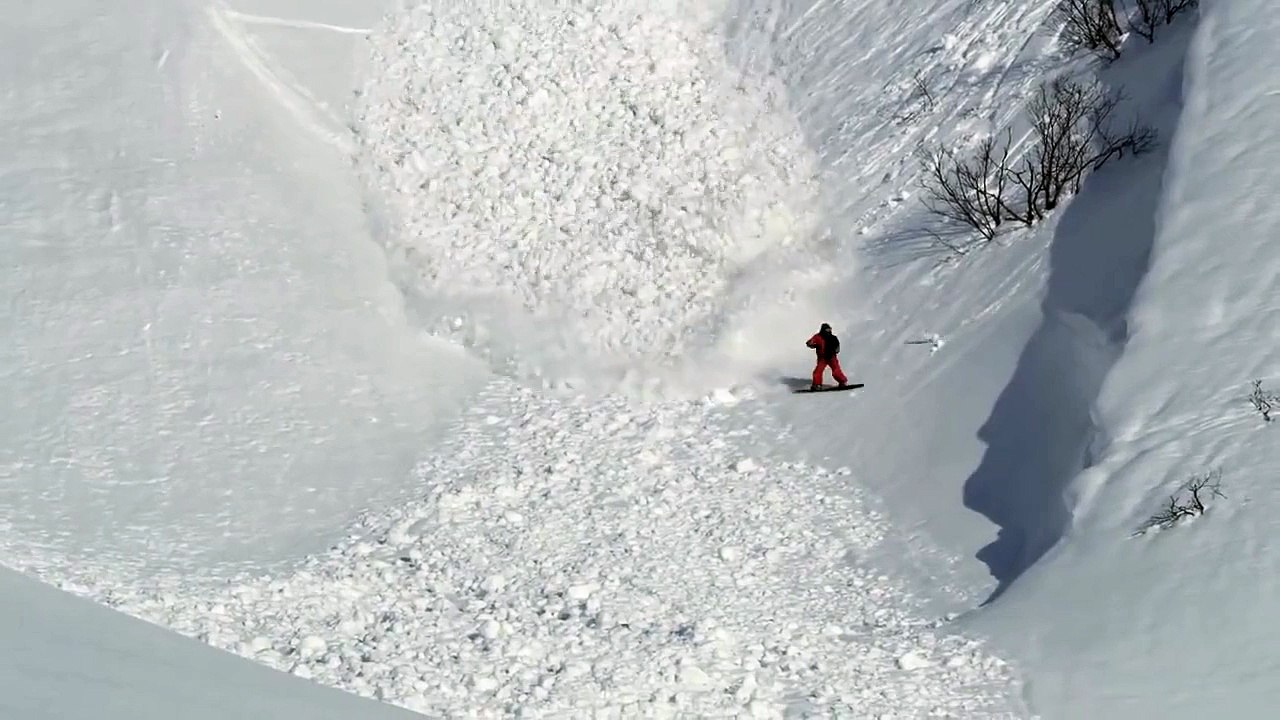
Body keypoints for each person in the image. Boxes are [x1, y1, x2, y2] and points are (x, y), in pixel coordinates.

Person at [805, 323, 847, 390]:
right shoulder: (818, 337)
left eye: (829, 329)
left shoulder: (833, 338)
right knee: (817, 371)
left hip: (832, 358)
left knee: (836, 372)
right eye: (827, 329)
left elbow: (837, 346)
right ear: (823, 330)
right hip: (822, 358)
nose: (828, 330)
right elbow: (810, 342)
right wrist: (811, 344)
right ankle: (817, 385)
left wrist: (836, 350)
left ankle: (843, 382)